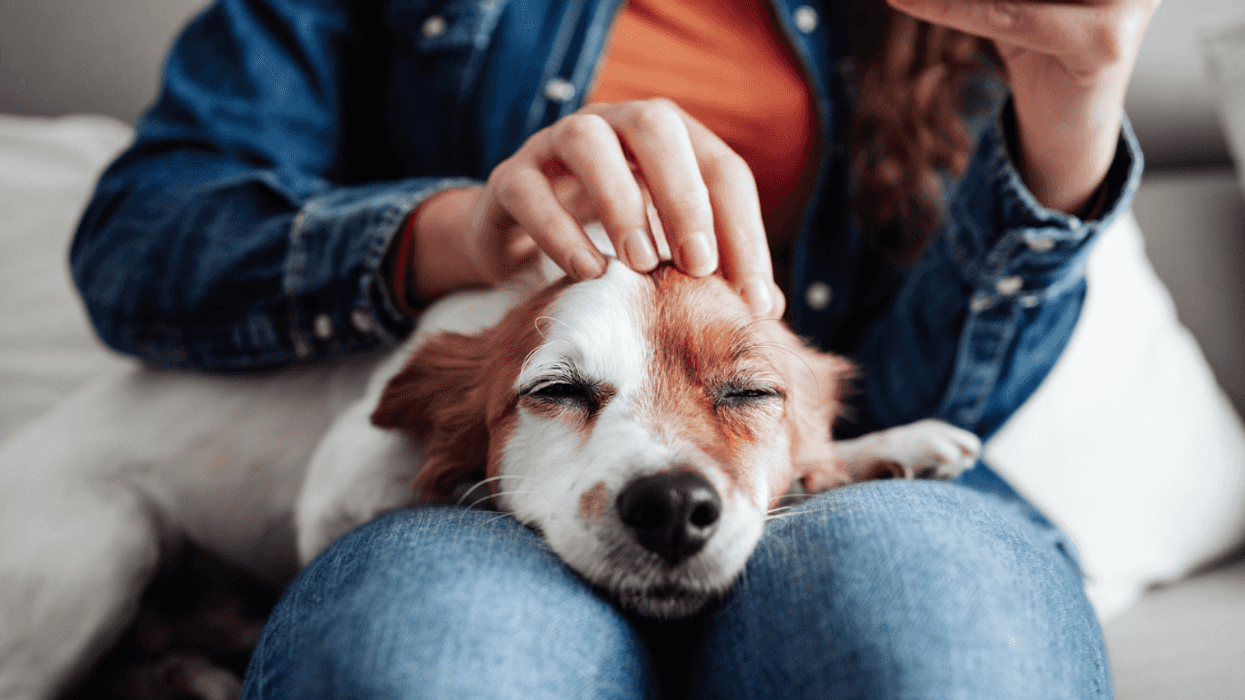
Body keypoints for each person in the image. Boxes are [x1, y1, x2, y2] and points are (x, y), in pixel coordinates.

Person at [71, 0, 1152, 696]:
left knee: (941, 648)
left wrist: (1071, 118)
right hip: (483, 514)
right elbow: (136, 239)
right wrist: (459, 228)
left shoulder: (945, 16)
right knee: (434, 666)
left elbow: (909, 398)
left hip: (814, 488)